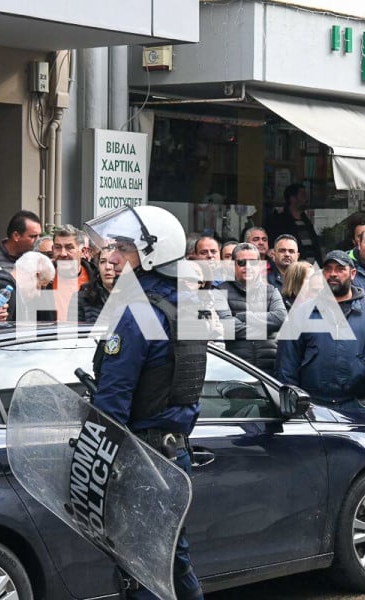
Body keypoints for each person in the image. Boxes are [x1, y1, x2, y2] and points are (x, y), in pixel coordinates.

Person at [83, 205, 205, 600]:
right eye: (111, 248)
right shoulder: (186, 307)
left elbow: (112, 402)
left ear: (153, 254)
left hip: (139, 458)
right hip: (174, 456)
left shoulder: (138, 311)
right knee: (174, 562)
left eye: (124, 248)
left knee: (142, 572)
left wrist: (93, 468)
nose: (111, 256)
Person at [275, 250, 365, 414]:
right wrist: (291, 401)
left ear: (352, 274)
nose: (333, 274)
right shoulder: (301, 312)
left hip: (358, 402)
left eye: (339, 269)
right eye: (328, 269)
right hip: (313, 404)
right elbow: (286, 363)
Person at [216, 243, 286, 376]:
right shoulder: (219, 292)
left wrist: (244, 317)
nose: (247, 267)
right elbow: (227, 327)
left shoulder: (271, 291)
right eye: (241, 262)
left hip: (270, 371)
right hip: (235, 370)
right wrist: (268, 329)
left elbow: (280, 318)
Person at [268, 183, 323, 263]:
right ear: (292, 199)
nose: (306, 199)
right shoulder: (279, 222)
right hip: (293, 269)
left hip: (313, 268)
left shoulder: (306, 221)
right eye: (303, 195)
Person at [78, 244, 116, 323]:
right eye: (102, 262)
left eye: (112, 261)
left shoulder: (135, 295)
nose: (108, 267)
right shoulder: (83, 297)